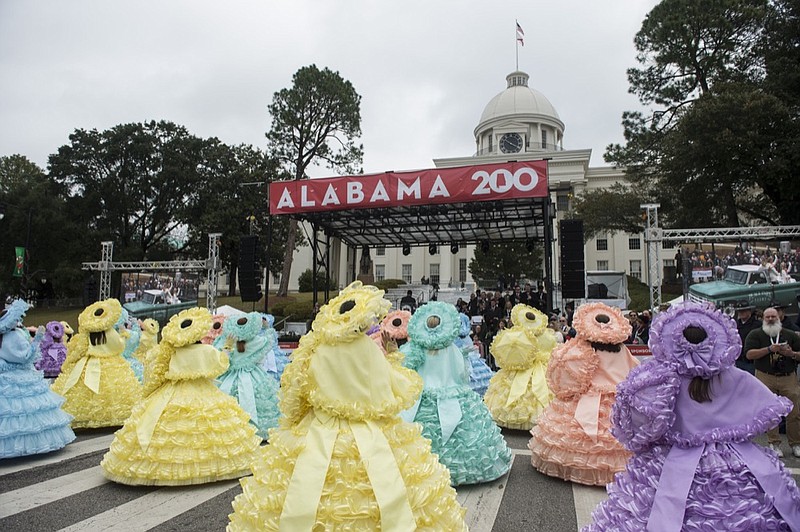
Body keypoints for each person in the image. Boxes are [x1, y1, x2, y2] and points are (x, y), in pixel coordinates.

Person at [227, 282, 467, 530]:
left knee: (303, 487)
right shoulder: (368, 349)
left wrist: (295, 420)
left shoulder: (318, 350)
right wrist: (392, 355)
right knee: (387, 485)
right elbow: (390, 387)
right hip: (370, 429)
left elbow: (298, 389)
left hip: (319, 426)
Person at [585, 302, 800, 530]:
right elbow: (766, 409)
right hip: (731, 458)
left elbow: (640, 420)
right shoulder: (731, 376)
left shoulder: (662, 378)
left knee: (654, 508)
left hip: (671, 456)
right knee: (743, 507)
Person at [100, 307, 263, 485]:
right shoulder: (205, 351)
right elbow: (221, 364)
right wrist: (227, 347)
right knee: (207, 430)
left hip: (171, 392)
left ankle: (158, 465)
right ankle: (203, 465)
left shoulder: (173, 352)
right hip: (202, 391)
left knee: (163, 427)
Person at [399, 301, 512, 485]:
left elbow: (405, 368)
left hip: (422, 396)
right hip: (453, 393)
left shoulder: (417, 348)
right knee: (463, 437)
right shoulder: (451, 348)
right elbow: (462, 374)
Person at [529, 303, 639, 486]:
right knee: (614, 442)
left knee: (577, 440)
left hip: (587, 398)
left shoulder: (582, 349)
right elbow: (635, 371)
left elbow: (567, 377)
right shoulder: (622, 350)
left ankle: (578, 467)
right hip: (618, 401)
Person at [0, 300, 75, 458]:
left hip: (7, 375)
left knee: (11, 412)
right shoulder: (13, 336)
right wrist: (37, 341)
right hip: (19, 374)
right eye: (16, 318)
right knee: (22, 411)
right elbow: (24, 356)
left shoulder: (6, 336)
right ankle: (25, 445)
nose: (19, 321)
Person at [51, 299, 142, 428]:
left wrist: (68, 364)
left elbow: (80, 349)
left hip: (87, 363)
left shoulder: (87, 333)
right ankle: (107, 416)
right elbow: (118, 346)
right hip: (110, 363)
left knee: (83, 391)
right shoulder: (110, 332)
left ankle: (84, 416)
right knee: (111, 391)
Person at [484, 304, 556, 430]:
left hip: (525, 367)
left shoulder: (517, 335)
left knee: (520, 391)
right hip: (537, 367)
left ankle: (514, 416)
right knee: (538, 393)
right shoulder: (546, 335)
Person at [215, 312, 281, 440]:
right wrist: (266, 327)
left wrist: (227, 344)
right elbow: (269, 339)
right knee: (258, 404)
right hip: (254, 376)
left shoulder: (226, 341)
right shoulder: (256, 341)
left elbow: (220, 358)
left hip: (228, 378)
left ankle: (233, 430)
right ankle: (255, 429)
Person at [745, 306, 800, 458]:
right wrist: (769, 349)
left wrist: (791, 353)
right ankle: (773, 443)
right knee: (770, 412)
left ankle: (796, 444)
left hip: (788, 377)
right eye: (767, 317)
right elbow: (749, 354)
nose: (770, 319)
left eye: (773, 317)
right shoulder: (755, 334)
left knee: (794, 412)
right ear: (763, 319)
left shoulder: (790, 335)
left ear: (779, 318)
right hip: (765, 376)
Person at [733, 300, 760, 374]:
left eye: (744, 311)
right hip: (738, 359)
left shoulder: (757, 325)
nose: (741, 313)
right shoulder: (735, 324)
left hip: (751, 361)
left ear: (749, 311)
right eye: (739, 311)